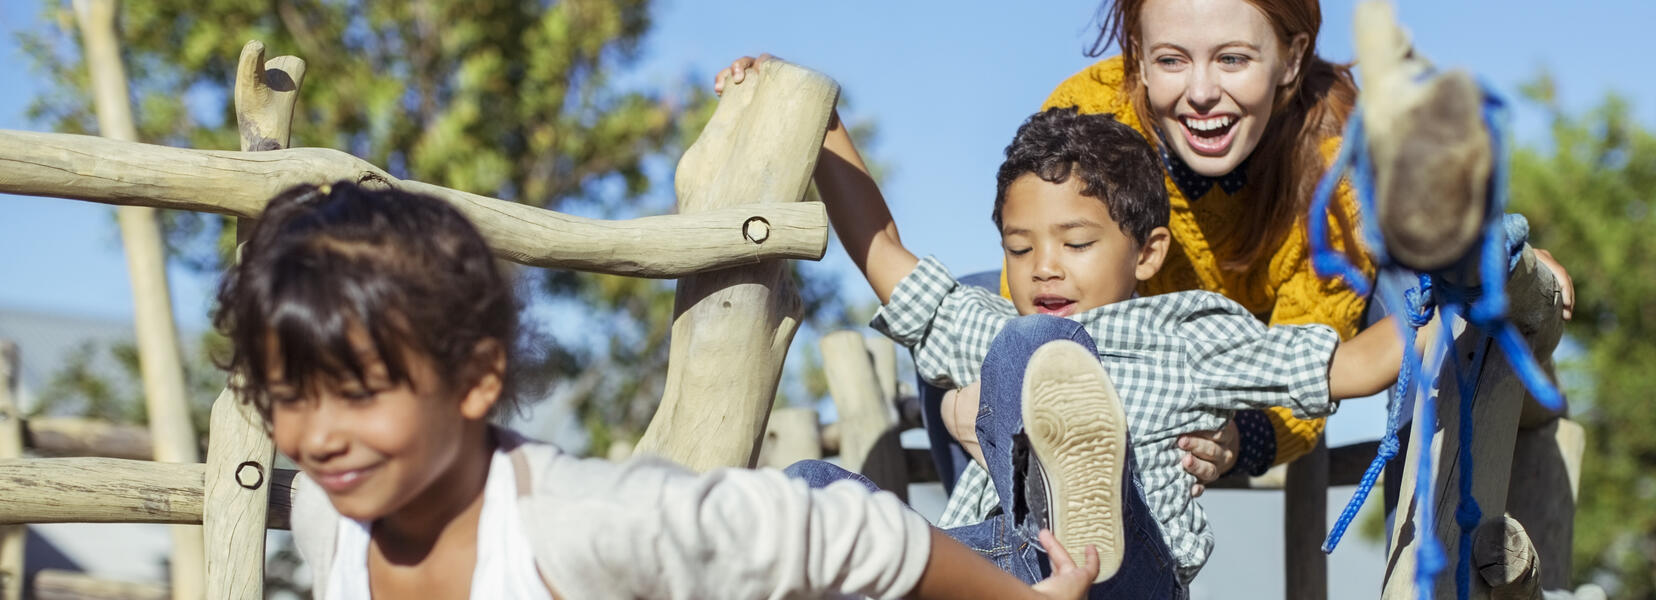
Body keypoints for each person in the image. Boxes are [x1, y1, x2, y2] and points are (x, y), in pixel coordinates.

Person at [214, 181, 1098, 599]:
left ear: (477, 375)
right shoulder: (335, 524)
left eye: (360, 393)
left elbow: (838, 532)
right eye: (288, 395)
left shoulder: (586, 524)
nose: (317, 434)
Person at [774, 71, 1428, 590]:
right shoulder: (997, 328)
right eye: (1019, 248)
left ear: (1146, 253)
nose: (1044, 268)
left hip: (1133, 573)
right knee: (814, 490)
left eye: (1076, 242)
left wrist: (1459, 300)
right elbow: (883, 250)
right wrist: (818, 114)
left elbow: (1351, 365)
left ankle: (1084, 508)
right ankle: (1025, 536)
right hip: (997, 567)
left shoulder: (1187, 334)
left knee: (1034, 350)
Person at [1040, 0, 1577, 489]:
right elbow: (1040, 278)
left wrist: (1242, 437)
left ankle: (1424, 571)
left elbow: (1316, 353)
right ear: (1138, 54)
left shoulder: (1335, 153)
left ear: (1291, 59)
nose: (1200, 92)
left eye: (1232, 59)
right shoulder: (1086, 117)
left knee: (1419, 286)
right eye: (1172, 60)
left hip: (1287, 346)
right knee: (978, 333)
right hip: (1129, 349)